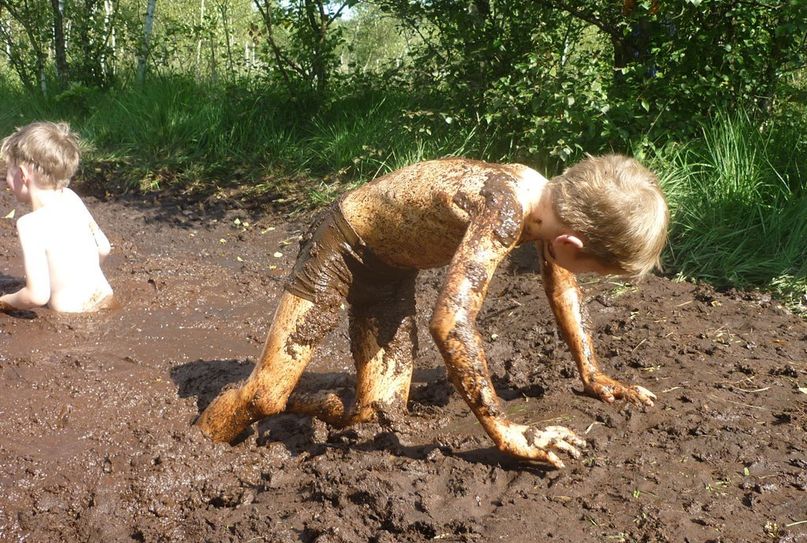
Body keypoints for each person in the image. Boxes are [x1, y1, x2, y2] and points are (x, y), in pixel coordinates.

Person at [197, 154, 669, 467]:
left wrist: (592, 372)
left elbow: (562, 288)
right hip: (340, 245)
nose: (585, 277)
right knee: (263, 397)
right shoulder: (507, 206)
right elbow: (450, 322)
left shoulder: (551, 205)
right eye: (597, 271)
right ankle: (195, 446)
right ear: (572, 242)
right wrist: (503, 429)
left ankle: (301, 396)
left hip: (390, 274)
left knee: (376, 415)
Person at [0, 121, 115, 314]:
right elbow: (103, 248)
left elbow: (36, 295)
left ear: (22, 174)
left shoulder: (29, 224)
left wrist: (4, 301)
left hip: (73, 318)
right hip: (107, 300)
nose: (7, 181)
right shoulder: (71, 197)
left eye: (8, 173)